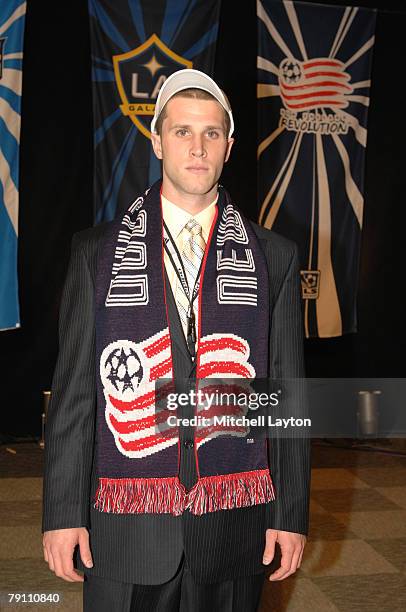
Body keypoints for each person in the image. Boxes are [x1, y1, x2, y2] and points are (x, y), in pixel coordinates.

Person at [42, 69, 311, 612]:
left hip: (233, 526)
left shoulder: (272, 257)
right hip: (125, 529)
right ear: (157, 140)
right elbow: (74, 395)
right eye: (183, 131)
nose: (197, 146)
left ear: (229, 146)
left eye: (211, 133)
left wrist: (290, 515)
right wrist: (63, 512)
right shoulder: (97, 254)